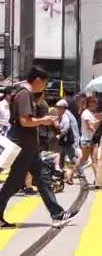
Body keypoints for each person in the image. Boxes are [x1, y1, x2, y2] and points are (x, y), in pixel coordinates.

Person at [0, 66, 78, 228]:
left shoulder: (25, 94)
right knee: (15, 182)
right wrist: (44, 120)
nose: (45, 86)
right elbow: (24, 121)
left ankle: (57, 214)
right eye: (45, 83)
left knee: (43, 178)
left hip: (30, 147)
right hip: (23, 146)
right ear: (37, 80)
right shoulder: (24, 95)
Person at [55, 99, 82, 184]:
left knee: (72, 158)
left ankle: (81, 174)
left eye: (58, 108)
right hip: (68, 140)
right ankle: (62, 175)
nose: (57, 109)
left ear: (63, 108)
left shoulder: (65, 115)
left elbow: (65, 128)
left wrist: (60, 134)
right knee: (61, 157)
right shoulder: (67, 114)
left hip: (68, 140)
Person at [76, 96, 101, 179]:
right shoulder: (86, 113)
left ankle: (98, 180)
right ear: (90, 103)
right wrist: (97, 125)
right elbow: (90, 126)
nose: (96, 105)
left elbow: (93, 125)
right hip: (87, 140)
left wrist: (99, 121)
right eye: (95, 103)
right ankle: (71, 174)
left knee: (95, 160)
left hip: (92, 139)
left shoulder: (91, 113)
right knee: (84, 159)